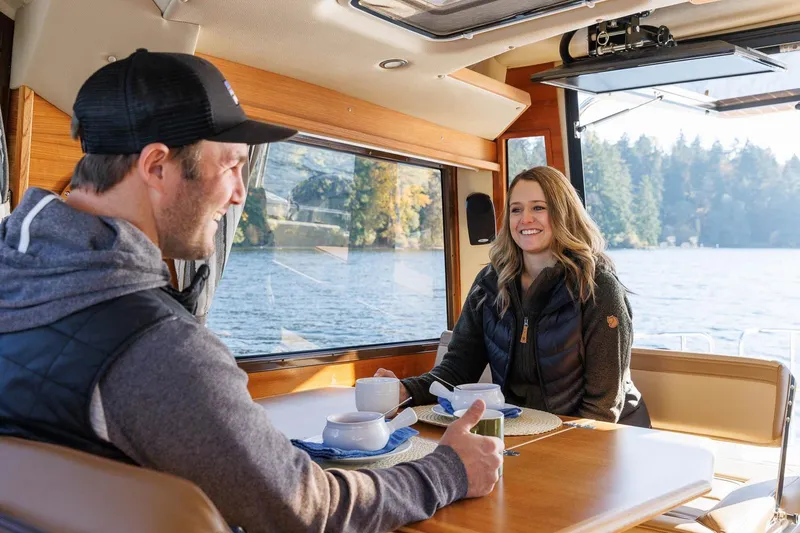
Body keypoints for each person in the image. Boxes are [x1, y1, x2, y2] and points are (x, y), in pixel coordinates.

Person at [0, 50, 503, 533]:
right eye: (231, 165)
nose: (241, 192)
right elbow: (306, 511)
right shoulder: (158, 345)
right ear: (156, 167)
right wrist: (448, 471)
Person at [377, 166, 650, 427]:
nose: (525, 219)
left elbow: (603, 406)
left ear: (563, 213)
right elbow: (457, 371)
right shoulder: (489, 284)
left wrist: (561, 444)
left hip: (606, 431)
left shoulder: (597, 287)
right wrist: (404, 390)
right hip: (524, 427)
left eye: (539, 208)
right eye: (516, 210)